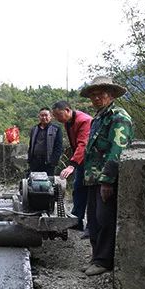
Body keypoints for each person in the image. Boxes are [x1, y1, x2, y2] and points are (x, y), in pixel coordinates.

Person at [79, 76, 133, 276]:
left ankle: (103, 261)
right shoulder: (99, 117)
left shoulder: (118, 117)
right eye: (93, 95)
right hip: (92, 177)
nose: (96, 98)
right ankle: (96, 257)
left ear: (110, 95)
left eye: (100, 94)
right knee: (92, 219)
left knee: (104, 219)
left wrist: (108, 180)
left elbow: (117, 149)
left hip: (105, 179)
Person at [51, 100, 92, 233]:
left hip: (92, 162)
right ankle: (77, 221)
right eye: (55, 116)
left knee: (92, 194)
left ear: (68, 110)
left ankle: (91, 227)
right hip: (81, 161)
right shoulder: (68, 122)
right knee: (78, 190)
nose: (57, 119)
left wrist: (72, 165)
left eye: (59, 115)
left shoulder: (84, 120)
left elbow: (83, 144)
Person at [27, 107, 63, 176]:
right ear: (39, 117)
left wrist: (53, 161)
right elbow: (31, 145)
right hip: (35, 161)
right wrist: (29, 159)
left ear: (51, 117)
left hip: (48, 162)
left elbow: (59, 147)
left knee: (47, 183)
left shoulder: (56, 129)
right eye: (42, 115)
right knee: (34, 181)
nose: (44, 117)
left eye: (46, 115)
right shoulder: (34, 129)